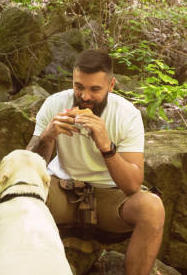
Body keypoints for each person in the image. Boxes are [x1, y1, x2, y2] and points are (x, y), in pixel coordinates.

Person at [26, 50, 165, 275]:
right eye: (79, 87)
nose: (85, 96)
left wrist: (106, 146)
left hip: (109, 199)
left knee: (152, 207)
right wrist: (47, 137)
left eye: (95, 89)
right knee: (21, 187)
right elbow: (27, 167)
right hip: (63, 191)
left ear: (111, 86)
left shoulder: (126, 114)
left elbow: (132, 185)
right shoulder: (55, 104)